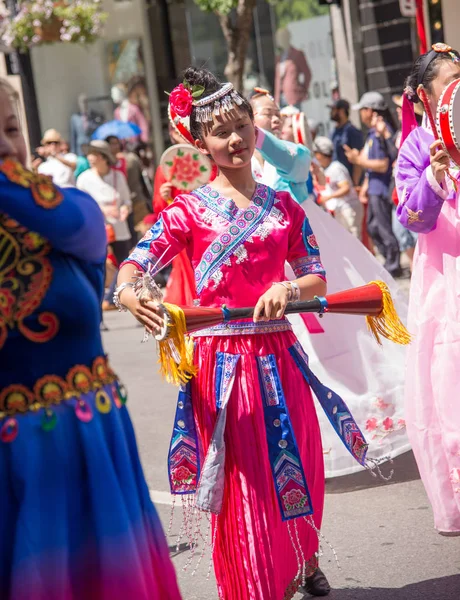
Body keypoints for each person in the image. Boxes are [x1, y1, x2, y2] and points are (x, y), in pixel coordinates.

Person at [115, 67, 381, 599]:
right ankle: (257, 581)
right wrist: (129, 296)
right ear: (201, 141)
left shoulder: (283, 207)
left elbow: (315, 276)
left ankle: (302, 558)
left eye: (243, 127)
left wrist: (290, 289)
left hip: (281, 353)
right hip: (221, 365)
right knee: (246, 482)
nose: (236, 139)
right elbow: (133, 266)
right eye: (221, 132)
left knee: (296, 463)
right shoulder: (186, 209)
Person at [0, 77, 181, 599]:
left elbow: (81, 226)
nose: (3, 144)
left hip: (89, 455)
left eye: (10, 128)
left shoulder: (71, 212)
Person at [251, 87, 410, 485]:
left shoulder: (296, 157)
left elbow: (278, 152)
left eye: (276, 114)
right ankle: (313, 442)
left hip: (314, 262)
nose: (274, 120)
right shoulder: (245, 175)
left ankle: (378, 424)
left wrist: (237, 125)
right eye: (265, 114)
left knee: (352, 341)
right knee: (299, 351)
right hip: (271, 267)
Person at [395, 42, 460, 535]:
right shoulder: (416, 146)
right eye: (449, 81)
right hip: (445, 279)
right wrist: (436, 178)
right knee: (449, 384)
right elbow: (411, 218)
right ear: (423, 94)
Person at [345, 92, 402, 277]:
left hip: (383, 188)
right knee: (373, 227)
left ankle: (394, 265)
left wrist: (357, 160)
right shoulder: (372, 133)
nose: (361, 114)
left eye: (362, 110)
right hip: (375, 188)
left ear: (369, 110)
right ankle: (389, 260)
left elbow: (382, 164)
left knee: (384, 228)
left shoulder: (380, 132)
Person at [77, 140, 132, 309]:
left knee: (126, 265)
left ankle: (124, 301)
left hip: (119, 228)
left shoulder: (118, 176)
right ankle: (99, 307)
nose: (91, 157)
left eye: (95, 154)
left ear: (104, 157)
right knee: (99, 269)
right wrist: (102, 210)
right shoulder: (84, 179)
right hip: (97, 230)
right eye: (90, 153)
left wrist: (124, 209)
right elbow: (81, 205)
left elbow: (126, 201)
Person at [390, 95, 423, 272]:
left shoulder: (418, 131)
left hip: (416, 195)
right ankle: (414, 269)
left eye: (401, 107)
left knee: (417, 238)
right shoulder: (400, 132)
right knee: (401, 235)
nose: (398, 110)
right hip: (400, 195)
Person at [313, 136, 364, 239]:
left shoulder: (336, 167)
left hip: (349, 208)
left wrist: (328, 197)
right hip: (341, 210)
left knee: (355, 242)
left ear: (321, 154)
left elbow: (345, 188)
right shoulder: (326, 169)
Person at [106, 135, 151, 244]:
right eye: (112, 143)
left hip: (136, 201)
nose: (115, 146)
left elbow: (141, 179)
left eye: (116, 143)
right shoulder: (107, 164)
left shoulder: (130, 159)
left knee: (144, 234)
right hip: (120, 206)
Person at [330, 98, 364, 186]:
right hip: (337, 182)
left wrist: (355, 184)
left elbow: (358, 160)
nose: (331, 112)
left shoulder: (352, 131)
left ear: (341, 111)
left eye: (333, 109)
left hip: (350, 183)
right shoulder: (333, 131)